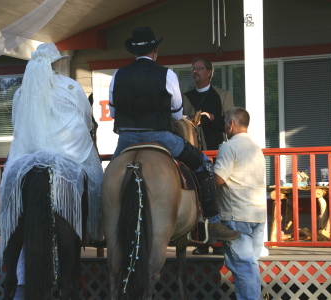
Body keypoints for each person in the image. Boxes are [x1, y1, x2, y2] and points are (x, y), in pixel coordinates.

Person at [108, 26, 240, 242]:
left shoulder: (118, 75)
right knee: (204, 163)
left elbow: (113, 111)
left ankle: (96, 225)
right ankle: (214, 222)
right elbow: (177, 113)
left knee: (105, 180)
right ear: (155, 51)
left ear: (133, 52)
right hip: (160, 136)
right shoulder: (166, 74)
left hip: (127, 139)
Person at [0, 43, 104, 299]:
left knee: (9, 177)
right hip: (66, 152)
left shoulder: (21, 92)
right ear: (56, 64)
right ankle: (97, 220)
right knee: (95, 175)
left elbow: (17, 125)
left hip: (29, 152)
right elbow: (87, 120)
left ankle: (2, 222)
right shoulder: (70, 86)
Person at [213, 107, 267, 300]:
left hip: (237, 215)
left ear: (231, 124)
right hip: (258, 214)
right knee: (250, 264)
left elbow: (218, 179)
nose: (225, 125)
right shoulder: (256, 147)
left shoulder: (229, 147)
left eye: (226, 122)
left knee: (242, 267)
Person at [183, 58, 234, 255]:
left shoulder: (222, 95)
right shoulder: (186, 97)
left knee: (216, 197)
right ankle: (201, 242)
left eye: (199, 68)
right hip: (193, 154)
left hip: (216, 152)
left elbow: (229, 122)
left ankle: (219, 243)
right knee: (196, 197)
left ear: (210, 72)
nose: (195, 71)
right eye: (192, 68)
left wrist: (212, 118)